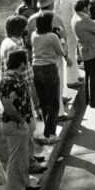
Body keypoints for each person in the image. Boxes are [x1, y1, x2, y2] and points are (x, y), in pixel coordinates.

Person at [0, 51, 40, 190]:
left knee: (22, 158)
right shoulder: (9, 81)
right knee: (16, 159)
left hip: (20, 124)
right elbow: (8, 106)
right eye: (26, 62)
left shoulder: (16, 77)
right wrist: (21, 121)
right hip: (14, 124)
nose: (27, 64)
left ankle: (24, 185)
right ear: (21, 63)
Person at [30, 13, 66, 144]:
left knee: (44, 102)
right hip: (49, 69)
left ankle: (48, 129)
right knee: (54, 103)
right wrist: (61, 37)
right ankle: (50, 133)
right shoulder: (52, 37)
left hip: (36, 69)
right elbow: (62, 52)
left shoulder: (34, 35)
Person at [73, 0, 95, 108]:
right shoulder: (84, 20)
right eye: (88, 7)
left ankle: (90, 99)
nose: (89, 8)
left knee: (90, 75)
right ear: (84, 8)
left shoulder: (76, 17)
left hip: (86, 50)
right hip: (93, 51)